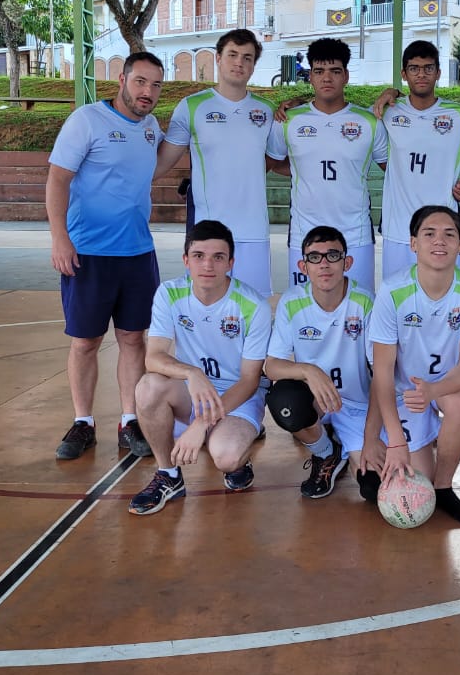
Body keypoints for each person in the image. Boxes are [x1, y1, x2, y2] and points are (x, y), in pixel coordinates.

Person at [46, 51, 164, 461]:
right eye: (141, 82)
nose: (147, 92)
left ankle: (130, 420)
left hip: (137, 251)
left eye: (155, 85)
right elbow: (58, 178)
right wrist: (60, 238)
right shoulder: (86, 120)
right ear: (122, 79)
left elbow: (159, 164)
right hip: (89, 253)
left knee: (134, 339)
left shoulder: (151, 127)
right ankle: (83, 422)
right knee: (85, 342)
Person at [128, 220, 272, 516]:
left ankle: (238, 444)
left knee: (226, 456)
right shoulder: (169, 294)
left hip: (237, 397)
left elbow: (249, 380)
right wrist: (192, 373)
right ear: (186, 260)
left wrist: (201, 424)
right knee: (148, 387)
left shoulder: (252, 305)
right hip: (193, 391)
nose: (208, 265)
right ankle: (168, 475)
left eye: (218, 257)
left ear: (231, 263)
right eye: (199, 256)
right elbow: (153, 357)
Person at [370, 205, 460, 524]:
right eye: (429, 233)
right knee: (411, 480)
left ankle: (445, 486)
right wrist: (395, 440)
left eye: (449, 234)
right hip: (404, 393)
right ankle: (420, 458)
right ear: (413, 243)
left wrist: (434, 390)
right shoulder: (392, 291)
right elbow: (381, 372)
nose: (440, 241)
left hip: (445, 386)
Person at [264, 225, 380, 500]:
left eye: (332, 255)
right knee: (285, 401)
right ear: (303, 266)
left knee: (373, 488)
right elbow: (271, 366)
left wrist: (375, 433)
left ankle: (345, 445)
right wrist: (308, 370)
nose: (324, 264)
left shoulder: (365, 302)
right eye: (314, 257)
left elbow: (382, 370)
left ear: (347, 262)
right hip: (315, 400)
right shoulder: (292, 302)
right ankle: (326, 453)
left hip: (356, 406)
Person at [155, 29, 276, 295]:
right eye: (232, 55)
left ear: (254, 65)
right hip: (209, 231)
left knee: (254, 311)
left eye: (247, 57)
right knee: (205, 310)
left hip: (254, 231)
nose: (239, 63)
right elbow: (162, 163)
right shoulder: (191, 106)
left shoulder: (267, 110)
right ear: (218, 58)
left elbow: (274, 161)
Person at [267, 37, 388, 292]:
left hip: (355, 235)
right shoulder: (288, 119)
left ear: (346, 75)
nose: (327, 78)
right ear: (310, 76)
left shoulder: (369, 122)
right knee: (305, 312)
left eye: (335, 71)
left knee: (358, 312)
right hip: (304, 234)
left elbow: (394, 170)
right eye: (319, 71)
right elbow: (274, 162)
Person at [373, 40, 460, 278]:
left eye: (428, 68)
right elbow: (381, 158)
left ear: (438, 73)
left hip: (444, 230)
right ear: (404, 74)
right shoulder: (387, 112)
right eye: (414, 68)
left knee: (446, 302)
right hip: (398, 229)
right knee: (400, 303)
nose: (421, 74)